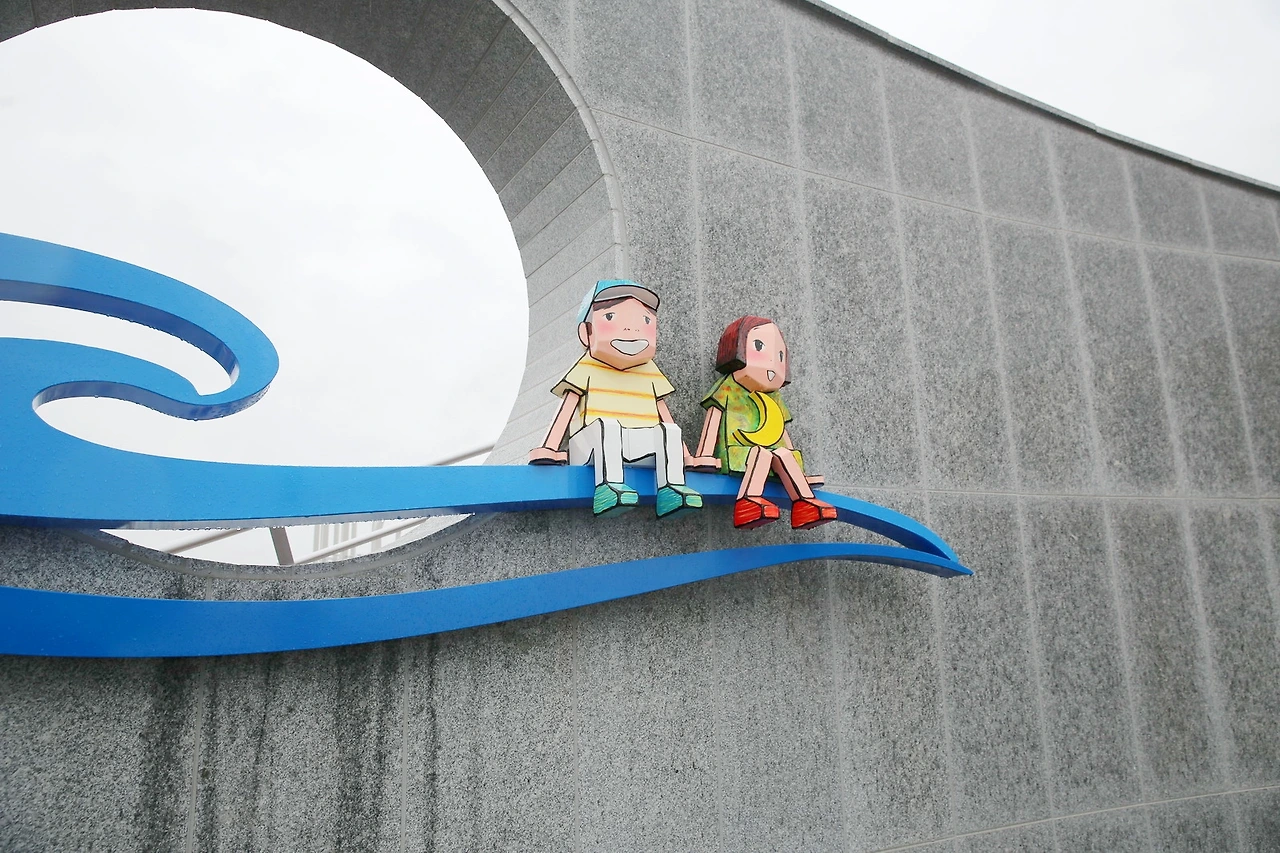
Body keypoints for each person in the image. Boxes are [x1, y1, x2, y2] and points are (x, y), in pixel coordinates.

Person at [529, 279, 712, 518]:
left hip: (635, 443)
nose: (632, 330)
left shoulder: (649, 371)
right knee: (607, 426)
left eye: (645, 320)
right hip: (590, 446)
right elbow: (568, 406)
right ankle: (608, 487)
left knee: (669, 430)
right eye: (611, 317)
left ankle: (671, 489)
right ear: (586, 332)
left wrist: (687, 457)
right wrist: (549, 449)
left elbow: (665, 415)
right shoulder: (587, 366)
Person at [692, 315, 835, 530]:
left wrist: (797, 468)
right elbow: (714, 417)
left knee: (783, 454)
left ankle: (805, 504)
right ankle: (748, 501)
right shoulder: (728, 387)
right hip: (737, 453)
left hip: (769, 457)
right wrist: (704, 456)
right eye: (759, 346)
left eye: (779, 355)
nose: (772, 363)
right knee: (761, 453)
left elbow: (780, 431)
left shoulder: (773, 397)